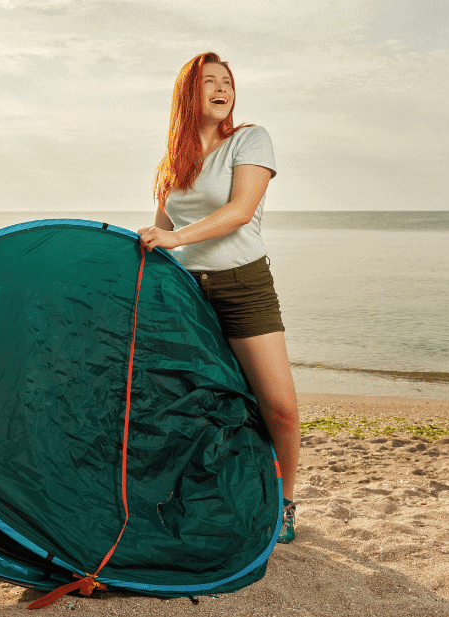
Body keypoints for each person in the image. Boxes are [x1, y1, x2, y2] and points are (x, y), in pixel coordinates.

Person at [138, 52, 301, 544]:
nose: (221, 87)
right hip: (185, 295)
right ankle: (211, 496)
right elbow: (159, 231)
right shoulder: (173, 161)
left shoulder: (251, 139)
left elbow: (239, 211)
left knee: (279, 407)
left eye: (227, 81)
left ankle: (286, 503)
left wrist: (172, 240)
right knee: (200, 407)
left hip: (241, 285)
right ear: (189, 93)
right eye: (209, 81)